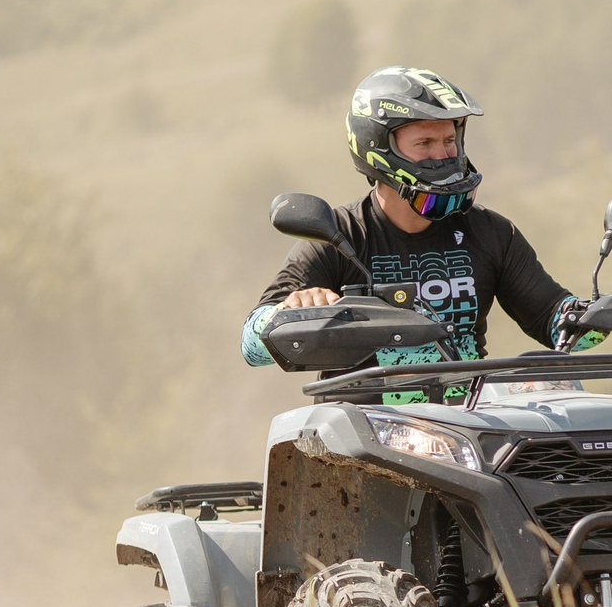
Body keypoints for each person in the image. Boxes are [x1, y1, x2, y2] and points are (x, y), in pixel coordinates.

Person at [240, 67, 594, 393]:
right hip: (365, 429)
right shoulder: (336, 237)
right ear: (376, 146)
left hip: (471, 423)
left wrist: (607, 313)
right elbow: (251, 347)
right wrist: (294, 310)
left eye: (449, 141)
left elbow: (555, 320)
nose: (442, 155)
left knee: (560, 394)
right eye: (425, 144)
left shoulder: (490, 232)